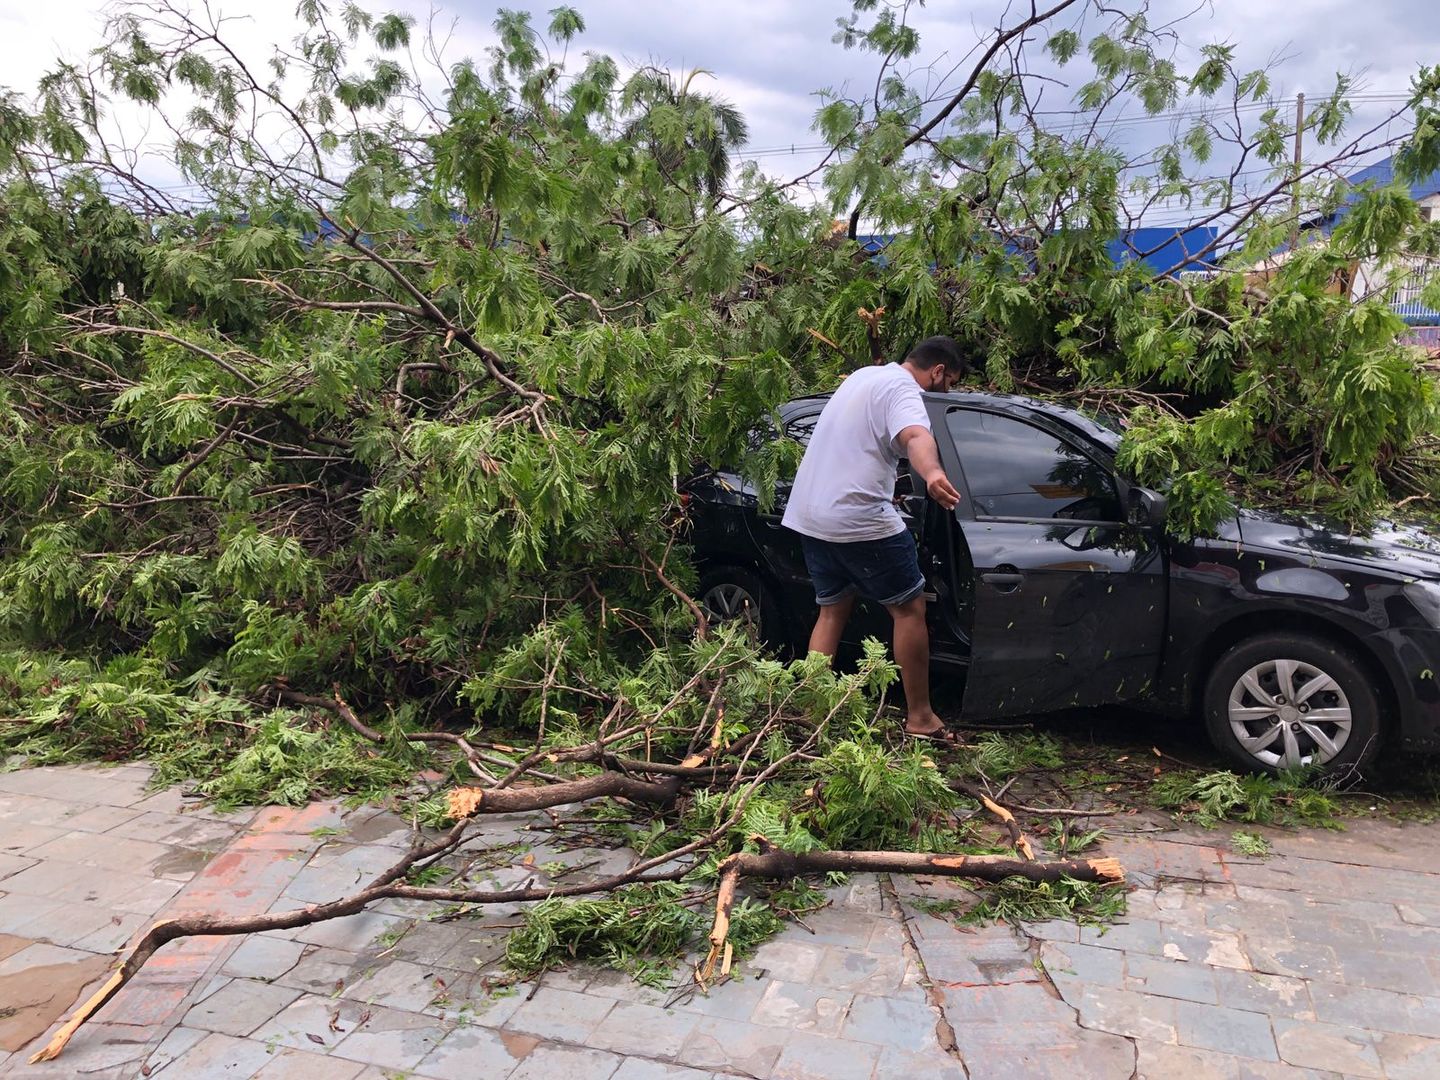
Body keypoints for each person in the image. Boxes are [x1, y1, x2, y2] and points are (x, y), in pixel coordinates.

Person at [781, 336, 967, 741]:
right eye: (949, 382)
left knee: (831, 610)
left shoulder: (864, 376)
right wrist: (933, 474)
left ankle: (811, 712)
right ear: (937, 372)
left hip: (811, 515)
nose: (946, 390)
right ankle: (920, 717)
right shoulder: (904, 390)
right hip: (858, 518)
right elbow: (916, 436)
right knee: (910, 609)